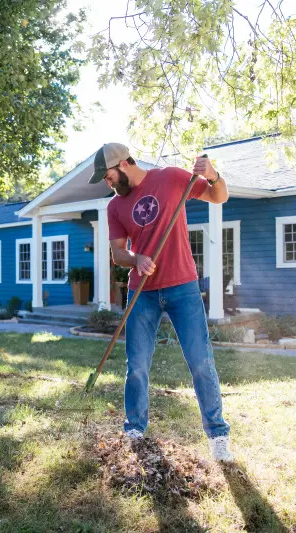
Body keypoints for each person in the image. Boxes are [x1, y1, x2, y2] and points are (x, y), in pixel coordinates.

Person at [89, 142, 234, 462]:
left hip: (183, 286)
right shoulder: (115, 207)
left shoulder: (170, 178)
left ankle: (218, 435)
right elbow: (118, 254)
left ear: (124, 163)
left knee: (200, 363)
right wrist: (136, 258)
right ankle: (135, 430)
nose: (107, 182)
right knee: (137, 365)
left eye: (108, 175)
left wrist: (212, 175)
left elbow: (218, 196)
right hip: (143, 292)